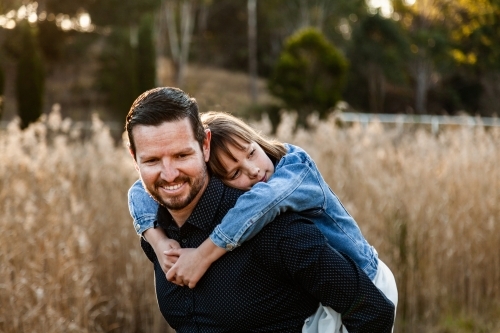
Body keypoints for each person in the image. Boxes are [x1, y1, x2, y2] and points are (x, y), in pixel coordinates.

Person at [126, 86, 395, 332]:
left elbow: (373, 312)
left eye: (182, 155)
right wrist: (157, 240)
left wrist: (205, 254)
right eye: (151, 160)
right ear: (135, 161)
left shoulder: (276, 230)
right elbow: (137, 192)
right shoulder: (159, 234)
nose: (169, 174)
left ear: (205, 146)